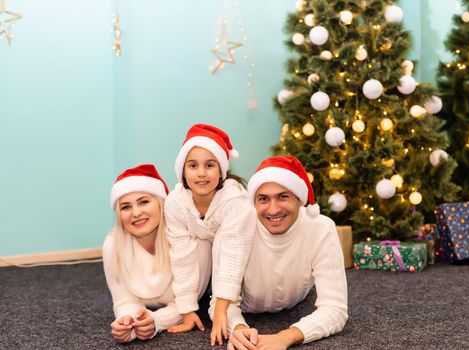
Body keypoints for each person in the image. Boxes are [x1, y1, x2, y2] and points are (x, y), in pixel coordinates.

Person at [226, 156, 348, 350]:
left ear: (299, 199)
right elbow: (221, 301)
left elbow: (335, 309)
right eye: (264, 199)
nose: (273, 210)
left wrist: (286, 337)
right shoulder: (237, 226)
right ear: (254, 202)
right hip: (245, 307)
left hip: (296, 301)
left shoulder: (321, 228)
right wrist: (238, 327)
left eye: (283, 196)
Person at [164, 124, 256, 346]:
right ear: (183, 171)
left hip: (245, 257)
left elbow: (234, 252)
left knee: (223, 242)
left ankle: (224, 305)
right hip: (207, 261)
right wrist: (186, 309)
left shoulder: (235, 200)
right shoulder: (175, 203)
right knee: (196, 245)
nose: (201, 173)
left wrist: (221, 308)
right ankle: (202, 299)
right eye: (193, 165)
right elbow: (182, 257)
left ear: (221, 170)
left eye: (210, 165)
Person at [103, 164, 202, 343]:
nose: (136, 213)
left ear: (161, 203)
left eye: (144, 202)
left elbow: (188, 299)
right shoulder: (112, 245)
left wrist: (157, 320)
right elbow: (124, 300)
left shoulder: (187, 238)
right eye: (126, 207)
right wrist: (129, 322)